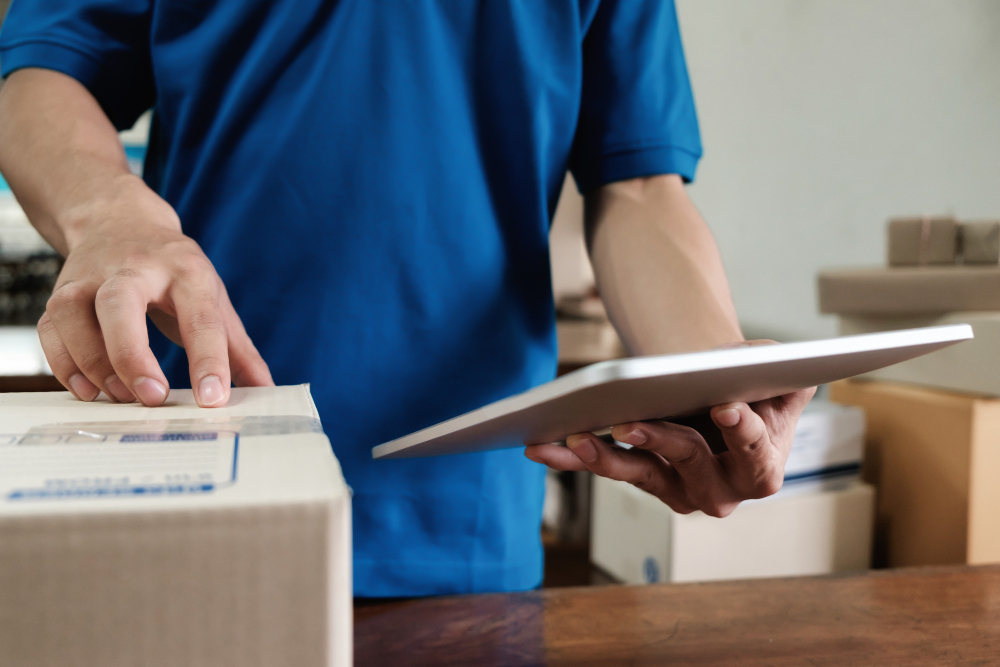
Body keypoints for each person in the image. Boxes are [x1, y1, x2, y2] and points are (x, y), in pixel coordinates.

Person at [0, 0, 813, 597]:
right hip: (202, 491)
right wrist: (106, 213)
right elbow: (38, 72)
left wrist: (711, 382)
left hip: (464, 528)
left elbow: (637, 186)